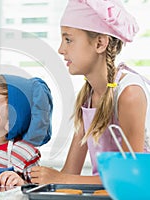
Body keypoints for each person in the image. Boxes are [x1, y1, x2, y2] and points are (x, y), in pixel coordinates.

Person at [30, 0, 150, 184]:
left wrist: (59, 178)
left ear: (100, 43)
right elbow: (70, 172)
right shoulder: (87, 98)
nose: (61, 49)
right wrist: (29, 178)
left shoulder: (129, 93)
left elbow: (131, 177)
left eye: (68, 39)